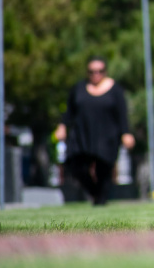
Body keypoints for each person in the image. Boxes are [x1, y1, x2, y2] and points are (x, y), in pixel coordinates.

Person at [55, 56, 134, 205]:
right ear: (87, 72)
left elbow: (122, 114)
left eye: (100, 71)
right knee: (76, 166)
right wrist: (62, 126)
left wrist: (126, 133)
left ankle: (101, 202)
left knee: (103, 171)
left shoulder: (115, 89)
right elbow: (69, 111)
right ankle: (96, 194)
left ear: (105, 71)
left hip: (107, 135)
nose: (96, 74)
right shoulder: (78, 88)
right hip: (83, 135)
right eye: (92, 71)